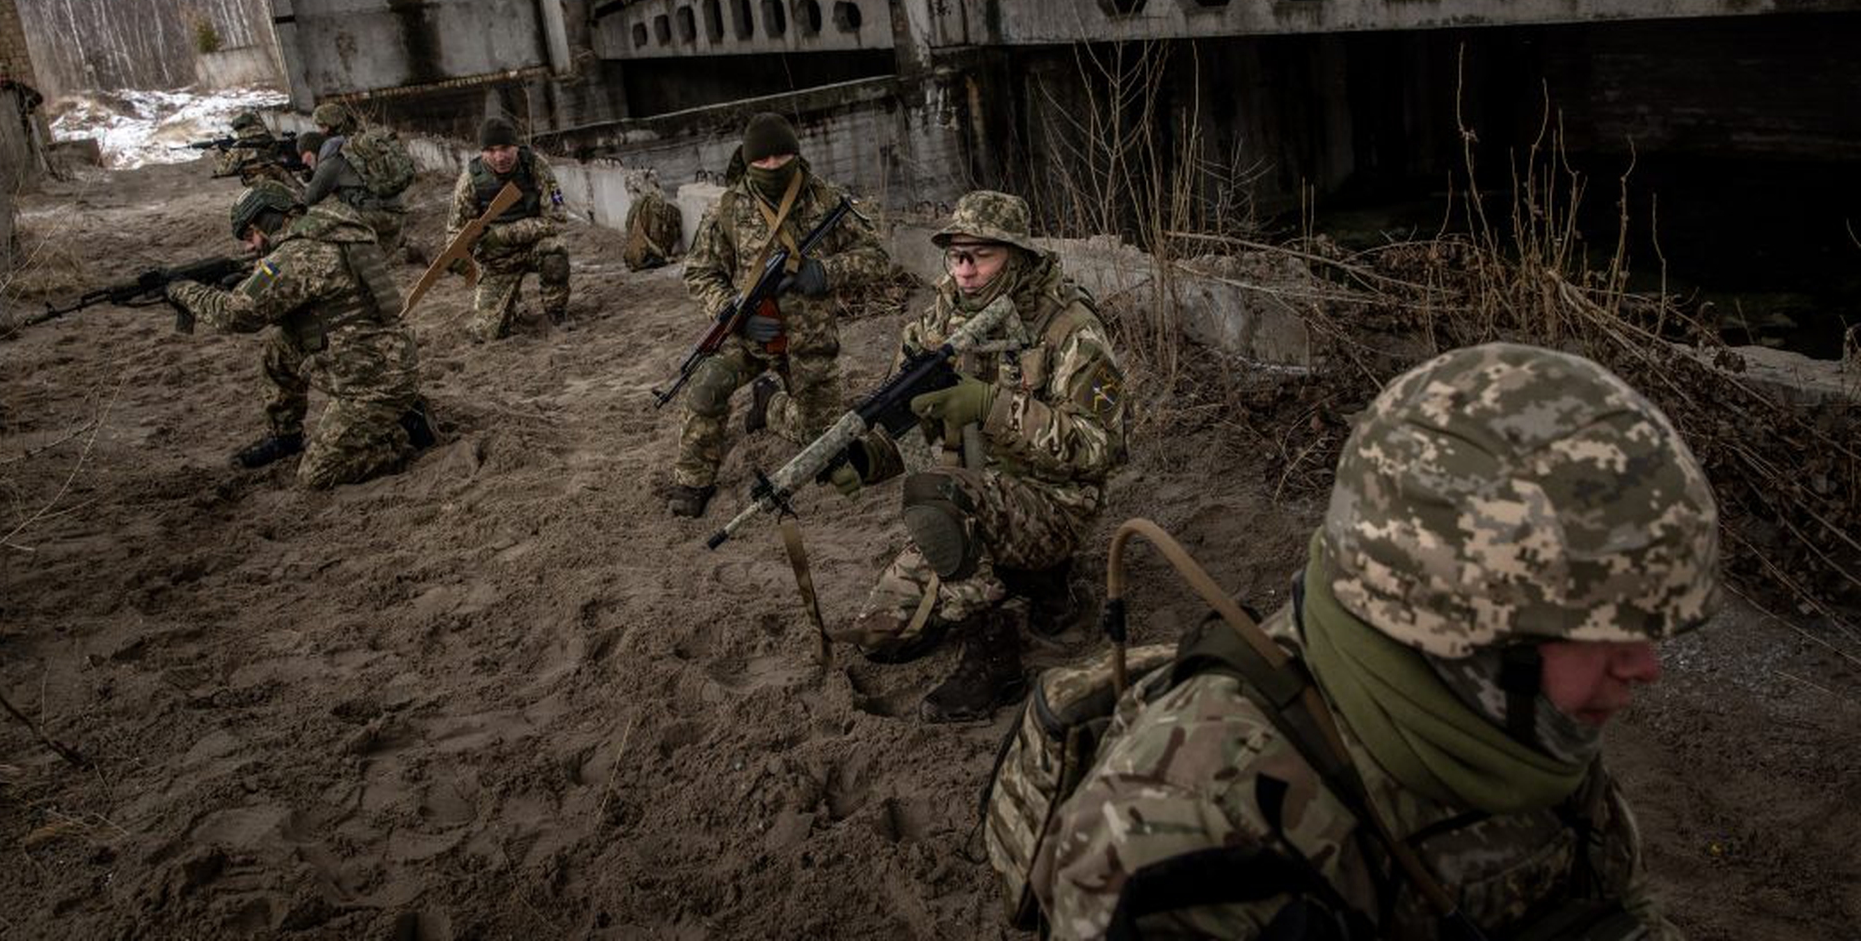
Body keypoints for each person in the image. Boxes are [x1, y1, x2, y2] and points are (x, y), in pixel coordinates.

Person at [1037, 343, 1722, 939]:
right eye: (1605, 630)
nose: (1645, 665)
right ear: (1453, 621)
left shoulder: (1505, 719)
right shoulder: (1179, 838)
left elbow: (1611, 896)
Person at [831, 190, 1126, 722]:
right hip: (972, 501)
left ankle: (994, 652)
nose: (964, 271)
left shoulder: (1069, 328)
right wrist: (864, 460)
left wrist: (992, 406)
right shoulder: (932, 329)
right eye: (955, 256)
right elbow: (901, 427)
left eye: (980, 256)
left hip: (1053, 505)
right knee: (880, 637)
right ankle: (1030, 582)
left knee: (933, 498)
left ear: (1017, 256)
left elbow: (1100, 449)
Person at [667, 111, 889, 520]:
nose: (773, 167)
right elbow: (699, 271)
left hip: (810, 340)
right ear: (748, 162)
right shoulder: (729, 209)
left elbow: (878, 258)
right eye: (762, 161)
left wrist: (824, 272)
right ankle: (692, 480)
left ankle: (768, 406)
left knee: (822, 441)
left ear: (795, 154)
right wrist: (732, 312)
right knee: (706, 386)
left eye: (781, 157)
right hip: (750, 337)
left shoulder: (826, 200)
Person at [167, 181, 423, 490]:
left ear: (269, 220)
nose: (249, 247)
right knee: (281, 348)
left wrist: (183, 290)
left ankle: (399, 435)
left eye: (250, 235)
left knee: (317, 475)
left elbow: (235, 315)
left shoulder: (297, 252)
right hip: (380, 356)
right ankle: (285, 437)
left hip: (372, 379)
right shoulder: (329, 226)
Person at [445, 116, 570, 340]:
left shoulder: (534, 166)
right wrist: (458, 256)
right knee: (488, 333)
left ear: (516, 146)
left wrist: (502, 234)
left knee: (555, 250)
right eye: (491, 150)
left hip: (535, 247)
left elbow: (557, 219)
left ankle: (556, 312)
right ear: (482, 152)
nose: (499, 157)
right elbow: (455, 229)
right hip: (497, 262)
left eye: (505, 148)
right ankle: (513, 305)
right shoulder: (470, 180)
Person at [299, 101, 403, 255]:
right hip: (395, 209)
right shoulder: (357, 142)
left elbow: (308, 200)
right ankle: (400, 248)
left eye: (321, 127)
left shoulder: (333, 157)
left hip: (379, 214)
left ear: (328, 126)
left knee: (325, 223)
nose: (320, 131)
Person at [623, 168, 682, 272]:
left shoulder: (636, 207)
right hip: (644, 254)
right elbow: (656, 230)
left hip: (634, 254)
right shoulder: (652, 205)